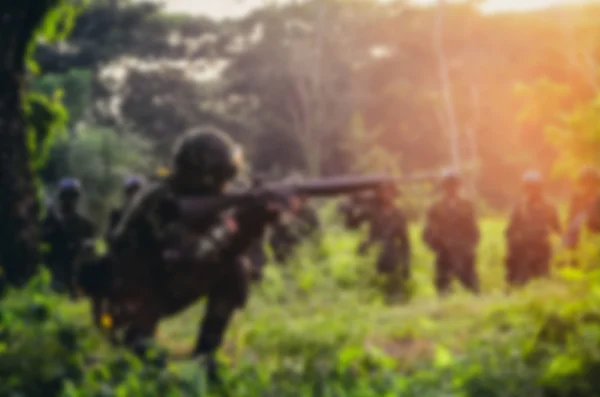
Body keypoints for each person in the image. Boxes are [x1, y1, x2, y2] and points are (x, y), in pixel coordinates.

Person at [81, 126, 296, 382]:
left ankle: (206, 355)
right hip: (125, 299)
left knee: (234, 269)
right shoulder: (161, 201)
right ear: (204, 175)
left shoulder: (199, 199)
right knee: (146, 366)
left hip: (163, 287)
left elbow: (219, 255)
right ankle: (137, 341)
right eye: (220, 176)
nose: (225, 184)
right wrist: (238, 223)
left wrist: (253, 224)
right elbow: (191, 257)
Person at [422, 169, 480, 296]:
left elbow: (474, 231)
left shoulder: (467, 206)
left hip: (464, 253)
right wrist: (438, 247)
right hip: (444, 254)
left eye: (454, 185)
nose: (451, 188)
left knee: (473, 288)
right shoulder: (436, 208)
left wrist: (469, 248)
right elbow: (427, 233)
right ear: (443, 186)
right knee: (443, 290)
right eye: (448, 185)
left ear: (458, 186)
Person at [41, 178, 95, 298]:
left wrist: (83, 246)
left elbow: (91, 249)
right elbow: (43, 241)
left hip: (77, 269)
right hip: (57, 267)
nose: (69, 200)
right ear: (61, 198)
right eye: (66, 196)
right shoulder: (50, 221)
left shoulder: (84, 224)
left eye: (72, 196)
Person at [505, 171, 561, 286]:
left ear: (540, 188)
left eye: (535, 188)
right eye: (529, 188)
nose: (532, 191)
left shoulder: (549, 206)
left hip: (542, 249)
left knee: (542, 280)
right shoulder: (519, 207)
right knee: (520, 282)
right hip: (523, 251)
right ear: (525, 189)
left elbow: (557, 228)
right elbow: (511, 230)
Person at [563, 166, 600, 256]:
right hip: (579, 230)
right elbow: (571, 217)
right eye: (586, 182)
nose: (589, 185)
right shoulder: (577, 198)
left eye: (592, 182)